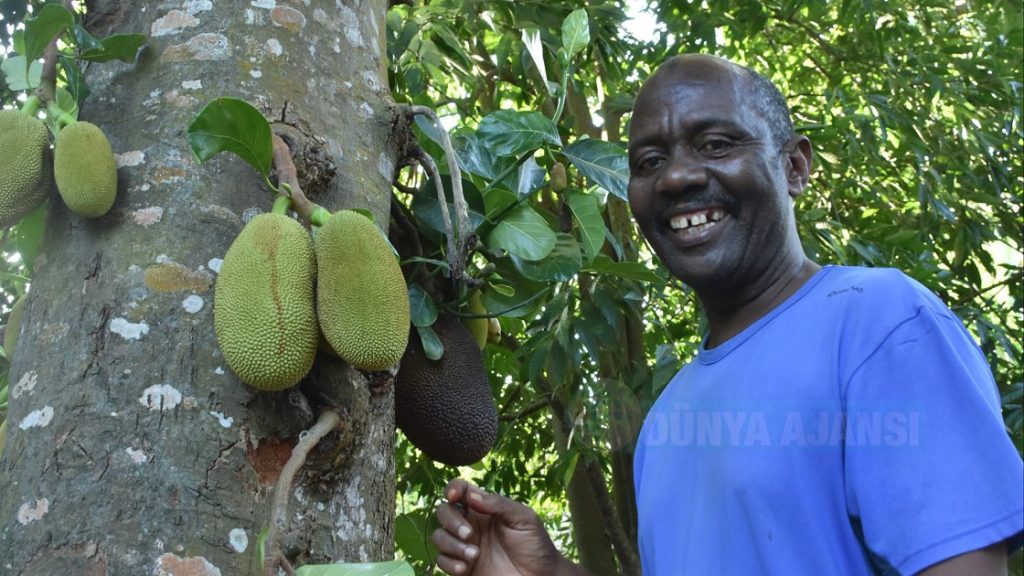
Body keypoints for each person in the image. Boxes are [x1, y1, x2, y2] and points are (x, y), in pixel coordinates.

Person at [431, 54, 1024, 575]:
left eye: (716, 145)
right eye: (649, 161)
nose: (678, 177)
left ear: (795, 168)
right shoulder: (667, 416)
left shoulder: (881, 323)